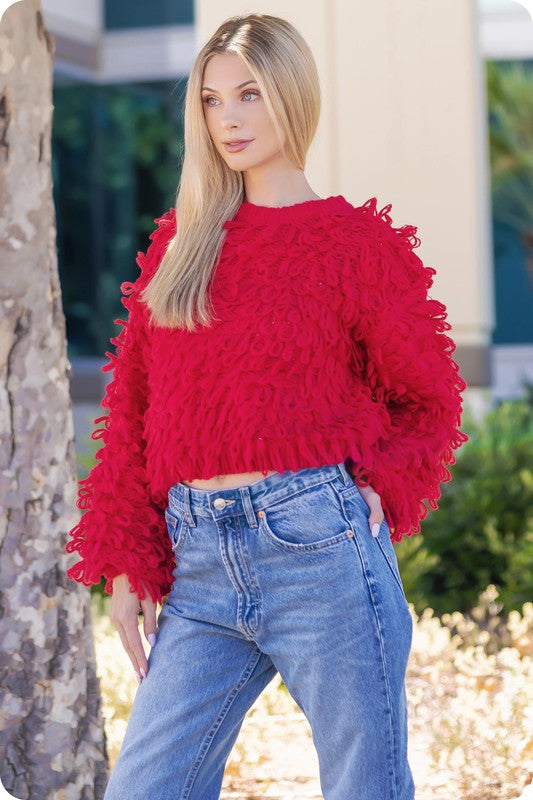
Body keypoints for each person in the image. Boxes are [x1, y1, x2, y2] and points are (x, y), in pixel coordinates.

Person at [65, 12, 468, 800]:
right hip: (198, 565)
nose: (229, 119)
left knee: (365, 788)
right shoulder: (182, 245)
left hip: (320, 552)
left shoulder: (352, 245)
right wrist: (126, 558)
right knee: (146, 786)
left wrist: (381, 486)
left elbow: (428, 398)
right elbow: (135, 413)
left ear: (291, 95)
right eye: (212, 101)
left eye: (248, 94)